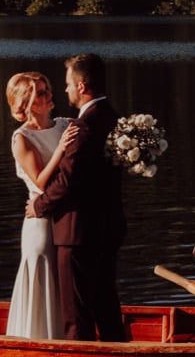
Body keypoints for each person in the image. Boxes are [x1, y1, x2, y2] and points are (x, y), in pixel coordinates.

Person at [27, 52, 127, 341]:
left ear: (82, 86)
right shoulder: (112, 116)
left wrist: (38, 206)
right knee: (106, 305)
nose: (66, 89)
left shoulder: (83, 127)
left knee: (76, 314)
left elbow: (68, 183)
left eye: (69, 83)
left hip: (78, 232)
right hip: (108, 228)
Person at [3, 71, 80, 339]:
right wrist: (60, 149)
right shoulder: (22, 138)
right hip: (40, 224)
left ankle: (68, 338)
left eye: (47, 89)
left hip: (66, 219)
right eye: (41, 92)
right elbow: (41, 182)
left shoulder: (65, 125)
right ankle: (38, 341)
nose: (50, 95)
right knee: (44, 278)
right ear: (25, 104)